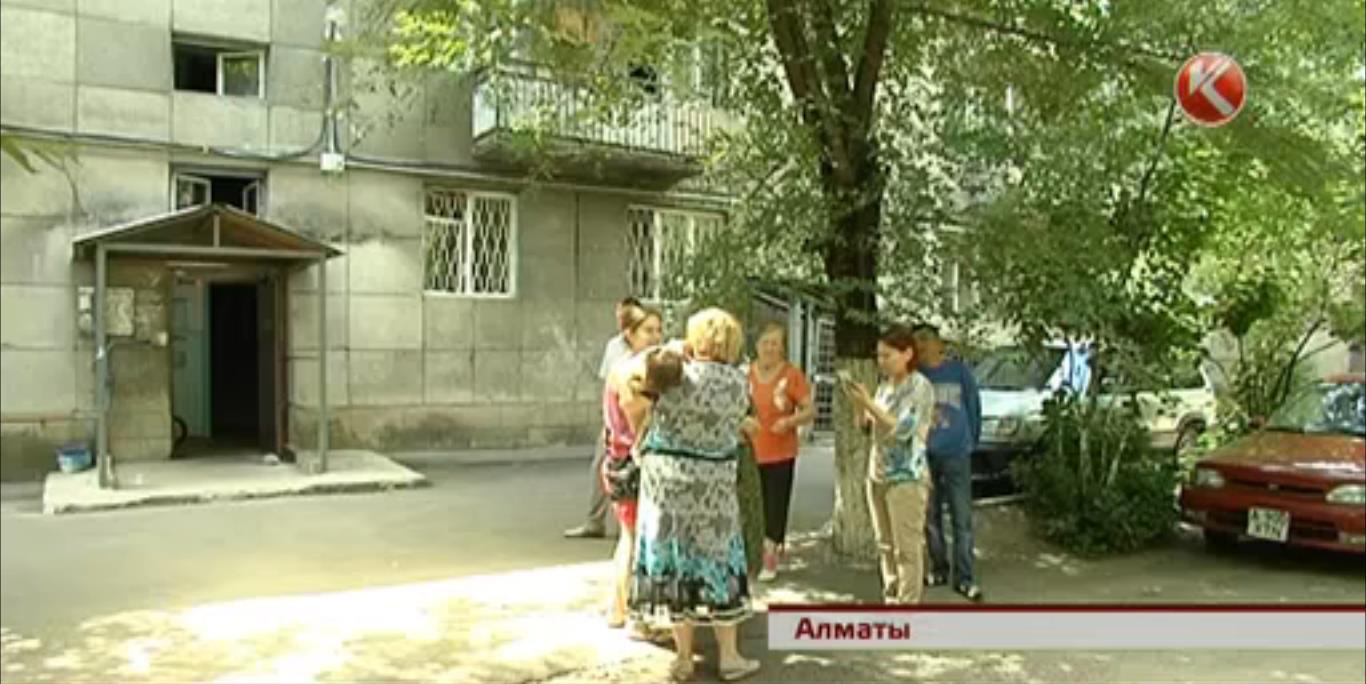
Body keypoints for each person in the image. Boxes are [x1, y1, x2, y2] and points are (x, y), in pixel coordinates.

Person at [631, 309, 760, 683]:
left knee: (677, 566)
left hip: (667, 488)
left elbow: (633, 378)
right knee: (719, 563)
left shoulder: (674, 374)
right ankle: (730, 658)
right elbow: (737, 425)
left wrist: (670, 350)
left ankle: (684, 658)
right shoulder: (738, 382)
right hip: (714, 490)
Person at [840, 325, 935, 604]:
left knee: (907, 548)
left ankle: (908, 605)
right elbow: (866, 427)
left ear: (907, 354)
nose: (881, 361)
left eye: (887, 355)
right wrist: (858, 404)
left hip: (906, 476)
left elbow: (902, 430)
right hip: (878, 473)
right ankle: (891, 596)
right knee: (885, 544)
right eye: (879, 356)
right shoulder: (884, 387)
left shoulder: (919, 386)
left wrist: (869, 403)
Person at [602, 339, 681, 637]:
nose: (655, 336)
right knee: (636, 542)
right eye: (649, 330)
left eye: (658, 330)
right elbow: (639, 437)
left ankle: (617, 608)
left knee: (627, 538)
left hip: (616, 462)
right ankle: (635, 617)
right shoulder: (633, 391)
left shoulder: (617, 373)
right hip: (632, 468)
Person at [911, 323, 984, 602]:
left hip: (957, 454)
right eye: (917, 341)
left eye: (925, 340)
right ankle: (939, 568)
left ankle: (964, 578)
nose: (921, 346)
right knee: (930, 517)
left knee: (961, 518)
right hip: (925, 455)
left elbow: (973, 406)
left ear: (938, 344)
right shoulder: (915, 377)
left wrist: (971, 441)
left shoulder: (959, 372)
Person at [565, 297, 646, 539]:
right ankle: (595, 521)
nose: (621, 319)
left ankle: (632, 528)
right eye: (619, 315)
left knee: (636, 472)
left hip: (639, 420)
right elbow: (607, 383)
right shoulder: (614, 346)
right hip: (615, 422)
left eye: (627, 315)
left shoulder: (649, 351)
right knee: (602, 467)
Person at [746, 322, 814, 581]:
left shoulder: (791, 375)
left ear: (783, 347)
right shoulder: (745, 374)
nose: (770, 348)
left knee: (775, 505)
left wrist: (789, 421)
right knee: (753, 505)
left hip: (780, 452)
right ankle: (754, 552)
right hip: (750, 451)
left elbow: (810, 410)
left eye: (775, 343)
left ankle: (770, 554)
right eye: (766, 343)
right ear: (756, 345)